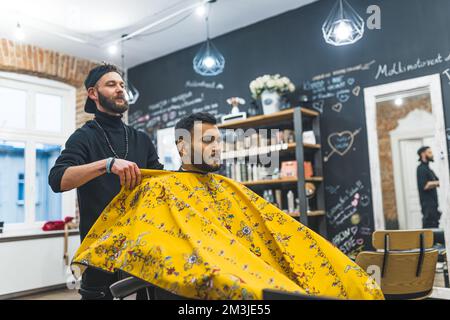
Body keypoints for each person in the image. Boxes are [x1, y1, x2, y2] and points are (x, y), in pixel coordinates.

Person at [71, 113, 383, 300]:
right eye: (207, 140)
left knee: (344, 280)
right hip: (201, 284)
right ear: (181, 145)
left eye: (219, 141)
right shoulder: (159, 188)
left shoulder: (228, 187)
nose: (217, 147)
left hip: (253, 271)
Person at [48, 63, 163, 300]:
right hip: (100, 253)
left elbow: (161, 185)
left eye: (121, 85)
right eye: (111, 84)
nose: (120, 89)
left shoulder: (141, 139)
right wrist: (107, 164)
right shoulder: (83, 137)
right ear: (93, 93)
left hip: (141, 251)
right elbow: (57, 180)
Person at [416, 146, 441, 228]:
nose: (432, 154)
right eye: (429, 152)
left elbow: (438, 181)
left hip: (434, 205)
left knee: (435, 227)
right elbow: (425, 186)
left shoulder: (429, 170)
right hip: (428, 206)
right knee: (429, 229)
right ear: (423, 154)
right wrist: (441, 182)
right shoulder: (421, 169)